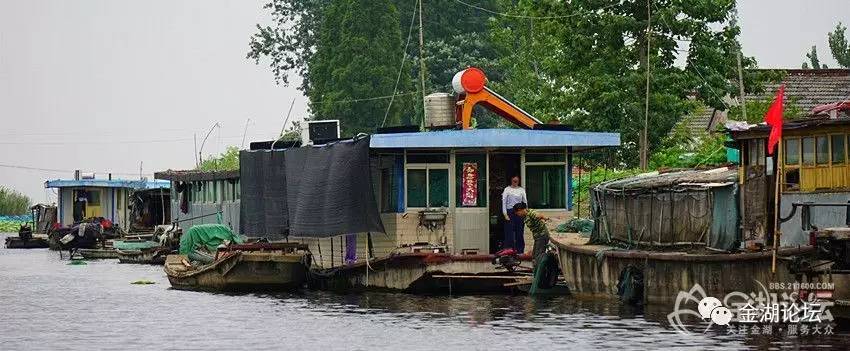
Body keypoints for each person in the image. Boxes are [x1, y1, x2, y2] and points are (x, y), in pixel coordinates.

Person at [502, 175, 527, 252]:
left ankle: (520, 251)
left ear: (518, 181)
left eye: (517, 181)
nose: (515, 182)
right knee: (509, 233)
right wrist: (505, 214)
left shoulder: (521, 190)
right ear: (511, 180)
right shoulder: (507, 189)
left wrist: (525, 213)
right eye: (514, 181)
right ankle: (509, 251)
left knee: (519, 233)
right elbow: (504, 202)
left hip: (519, 212)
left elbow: (525, 202)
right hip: (510, 212)